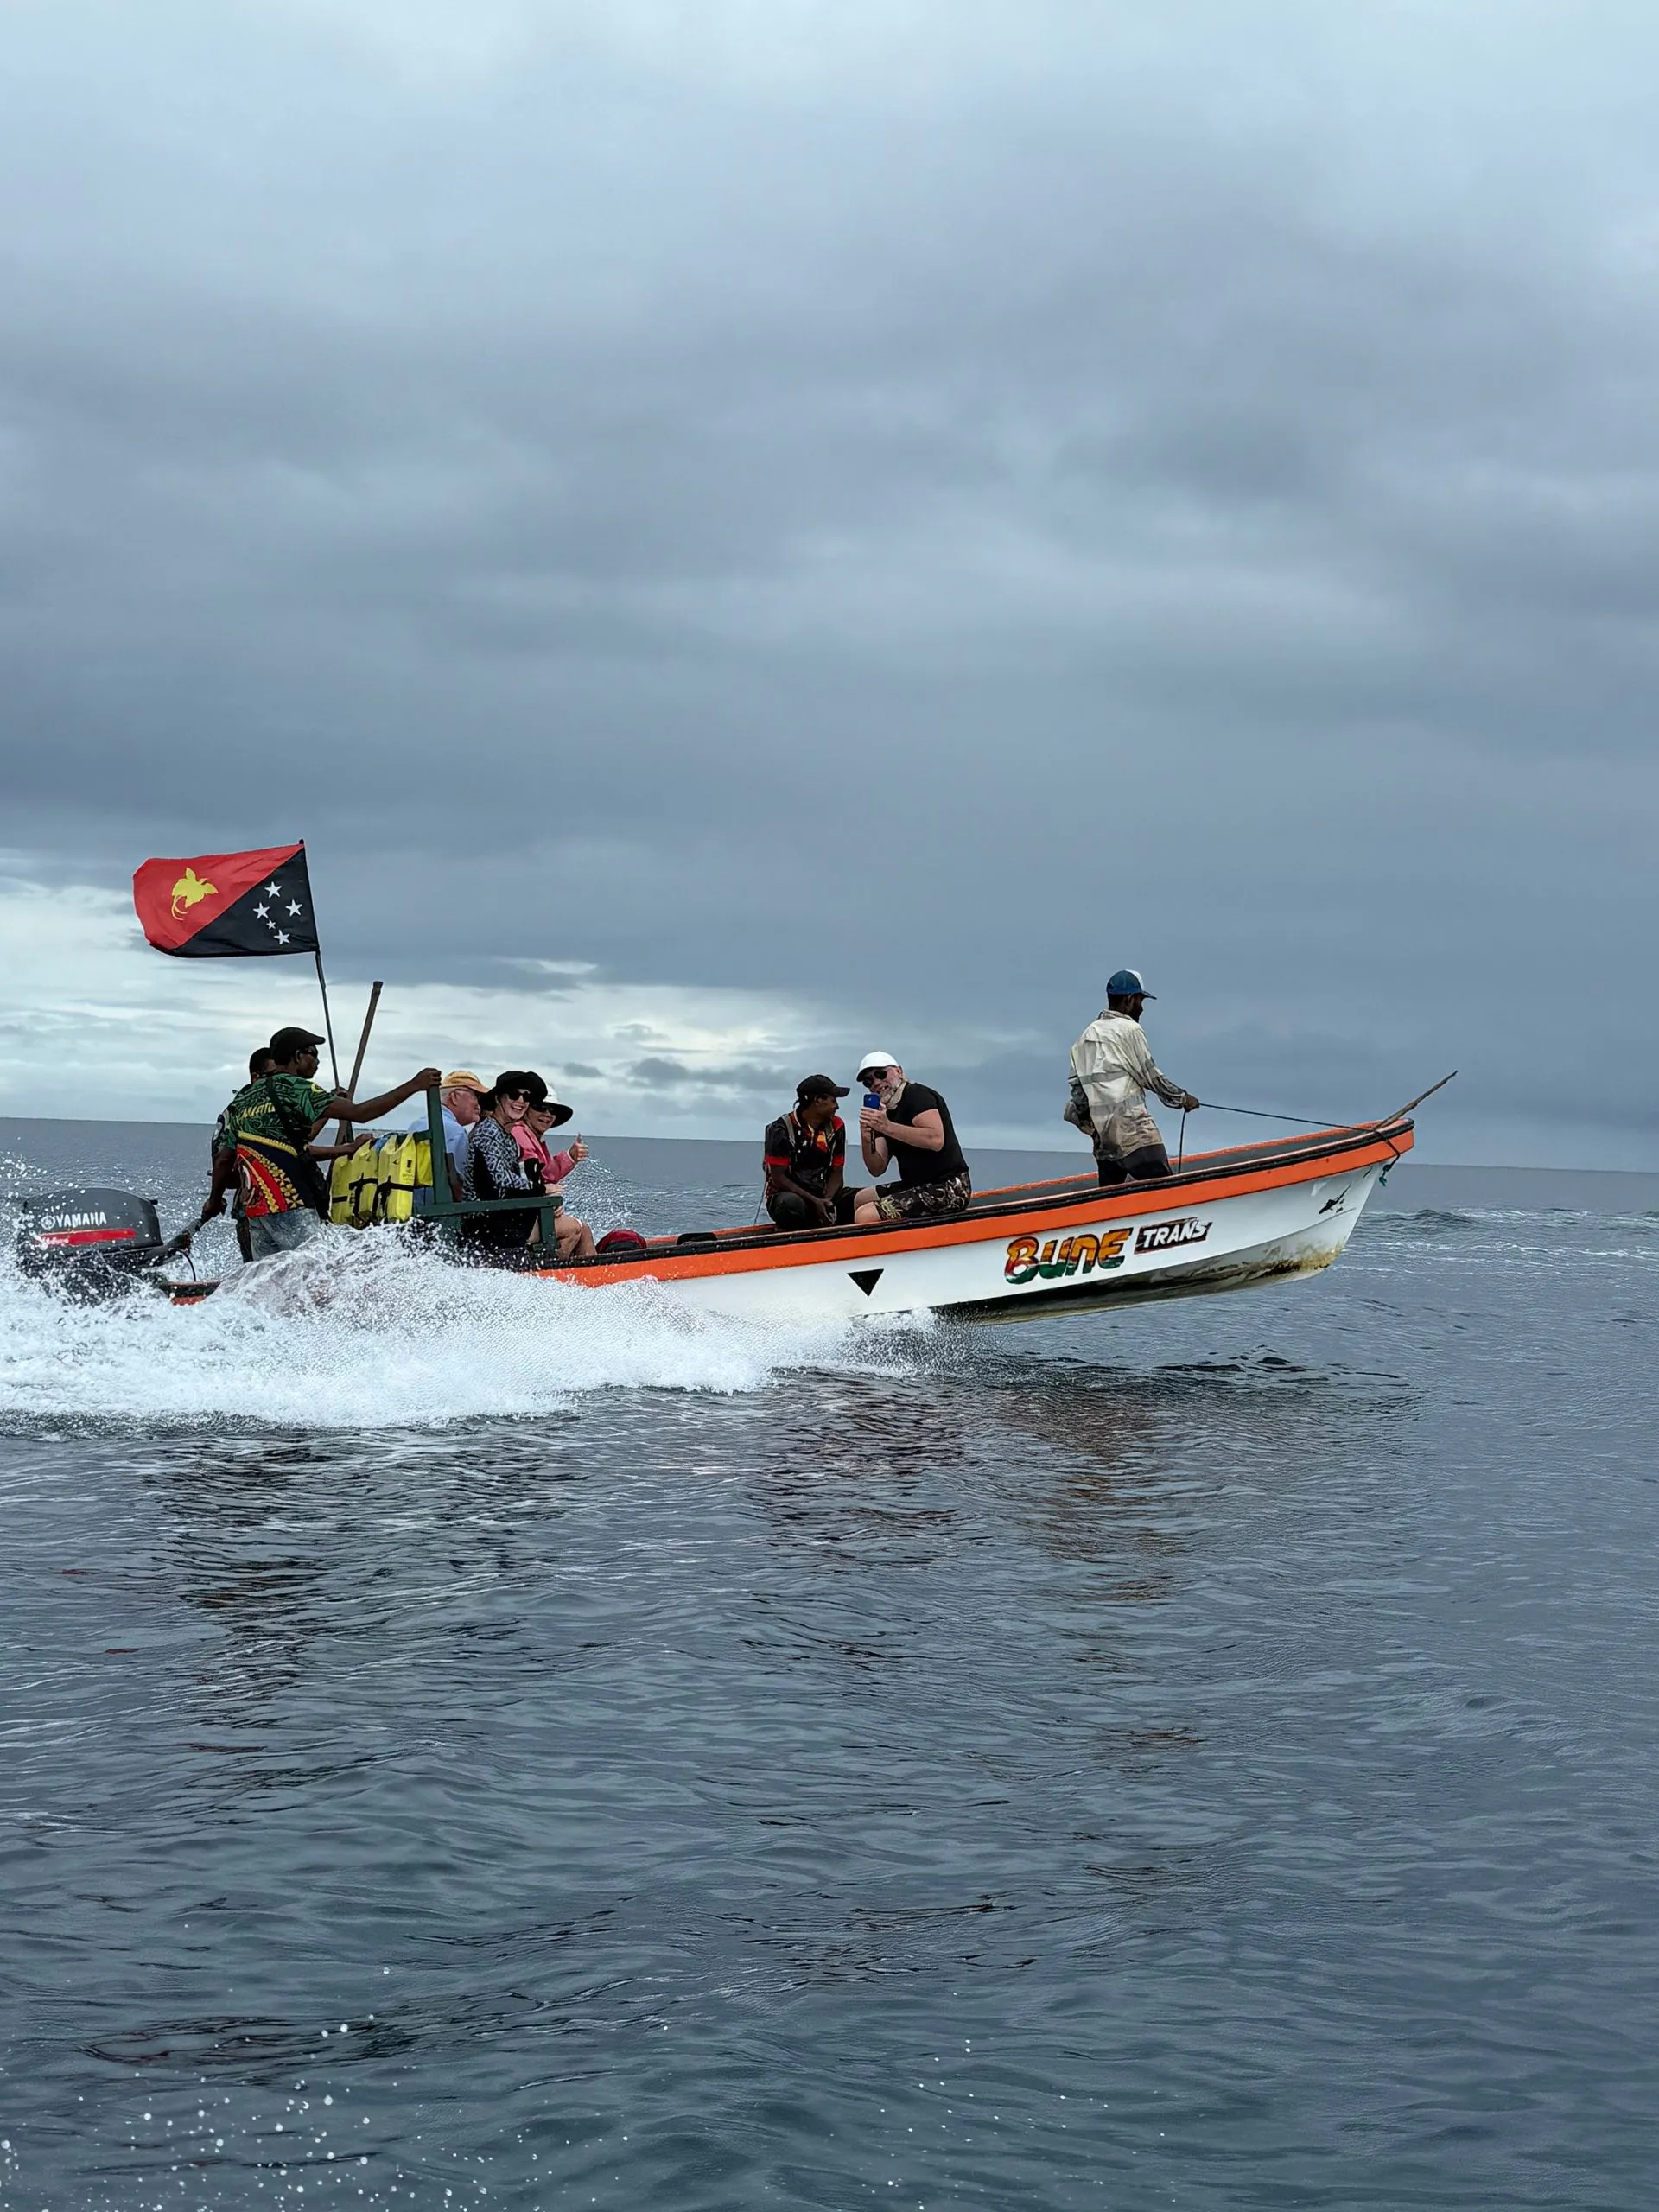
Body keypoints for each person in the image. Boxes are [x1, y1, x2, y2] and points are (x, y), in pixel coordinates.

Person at [201, 1026, 441, 1260]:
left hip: (255, 1211)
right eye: (313, 1054)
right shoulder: (296, 1089)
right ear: (297, 1057)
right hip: (290, 1200)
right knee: (321, 1272)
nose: (317, 1062)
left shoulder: (244, 1098)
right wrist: (414, 1085)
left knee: (271, 1285)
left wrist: (213, 1201)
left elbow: (225, 1158)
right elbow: (361, 1113)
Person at [1068, 969, 1199, 1186]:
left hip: (1104, 1142)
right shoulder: (1130, 1029)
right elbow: (1152, 1076)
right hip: (1134, 1132)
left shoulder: (1084, 1038)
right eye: (1140, 1001)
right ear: (1129, 1000)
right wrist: (1182, 1099)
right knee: (1165, 1192)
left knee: (1110, 1205)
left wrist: (1089, 1126)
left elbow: (1078, 1093)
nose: (1142, 1008)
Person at [849, 1052, 972, 1226]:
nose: (876, 1083)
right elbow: (877, 1168)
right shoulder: (885, 1114)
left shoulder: (917, 1096)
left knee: (865, 1215)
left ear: (899, 1072)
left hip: (948, 1186)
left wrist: (886, 1126)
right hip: (916, 1185)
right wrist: (867, 1137)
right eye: (869, 1081)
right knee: (861, 1199)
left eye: (881, 1074)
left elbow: (935, 1139)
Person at [515, 1077, 597, 1259]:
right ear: (526, 1109)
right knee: (575, 1227)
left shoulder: (532, 1137)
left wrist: (570, 1157)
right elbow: (528, 1179)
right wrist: (545, 1199)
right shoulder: (520, 1134)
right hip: (518, 1219)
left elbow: (543, 1175)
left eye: (552, 1110)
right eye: (541, 1107)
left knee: (583, 1229)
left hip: (527, 1213)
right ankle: (557, 1275)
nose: (547, 1114)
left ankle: (588, 1276)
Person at [464, 1071, 544, 1250]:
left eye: (527, 1097)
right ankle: (563, 1271)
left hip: (501, 1215)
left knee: (570, 1226)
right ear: (498, 1098)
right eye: (514, 1095)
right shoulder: (489, 1131)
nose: (521, 1102)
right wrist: (537, 1188)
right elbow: (499, 1177)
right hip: (484, 1222)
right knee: (573, 1229)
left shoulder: (509, 1138)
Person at [763, 1075, 854, 1230]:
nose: (837, 1106)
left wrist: (827, 1201)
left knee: (860, 1200)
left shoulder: (836, 1126)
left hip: (822, 1193)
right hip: (788, 1194)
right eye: (833, 1100)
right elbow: (778, 1178)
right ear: (817, 1100)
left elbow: (837, 1172)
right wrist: (814, 1202)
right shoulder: (781, 1129)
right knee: (791, 1206)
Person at [211, 1047, 274, 1262]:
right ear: (256, 1076)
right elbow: (222, 1162)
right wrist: (214, 1200)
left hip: (282, 1208)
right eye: (274, 1075)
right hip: (254, 1210)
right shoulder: (238, 1112)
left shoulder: (278, 1105)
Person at [392, 1069, 486, 1205]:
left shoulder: (417, 1124)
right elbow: (460, 1185)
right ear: (454, 1097)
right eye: (476, 1096)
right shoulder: (456, 1132)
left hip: (409, 1205)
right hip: (438, 1210)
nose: (479, 1105)